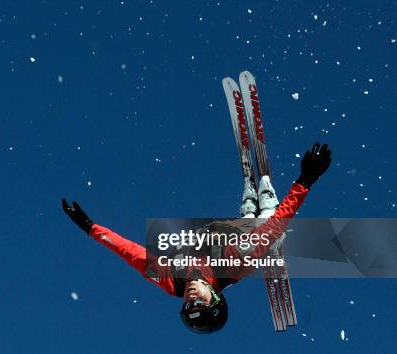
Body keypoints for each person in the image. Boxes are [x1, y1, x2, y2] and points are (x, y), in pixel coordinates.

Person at [62, 143, 331, 334]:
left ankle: (249, 207)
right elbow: (276, 226)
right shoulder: (234, 265)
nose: (191, 298)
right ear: (214, 298)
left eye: (188, 305)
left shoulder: (171, 279)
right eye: (200, 303)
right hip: (246, 238)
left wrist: (90, 227)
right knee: (269, 232)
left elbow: (130, 252)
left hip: (220, 232)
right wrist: (305, 180)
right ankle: (260, 207)